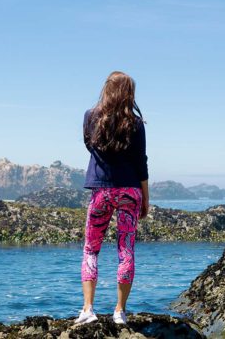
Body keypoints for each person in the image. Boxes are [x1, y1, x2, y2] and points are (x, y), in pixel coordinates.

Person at [75, 71, 150, 326]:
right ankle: (120, 311)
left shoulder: (90, 116)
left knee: (91, 249)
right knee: (126, 250)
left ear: (106, 89)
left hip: (101, 190)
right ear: (129, 93)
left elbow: (90, 145)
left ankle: (88, 309)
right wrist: (146, 198)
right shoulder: (136, 124)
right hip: (130, 190)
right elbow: (141, 163)